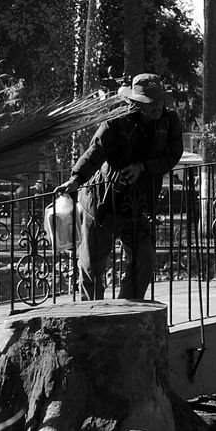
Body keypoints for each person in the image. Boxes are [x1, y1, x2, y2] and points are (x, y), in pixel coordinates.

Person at [59, 73, 183, 300]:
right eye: (150, 102)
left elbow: (173, 156)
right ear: (136, 102)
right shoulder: (117, 119)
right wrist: (76, 178)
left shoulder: (169, 121)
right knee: (92, 266)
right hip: (102, 201)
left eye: (159, 100)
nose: (157, 106)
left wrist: (143, 168)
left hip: (138, 204)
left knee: (144, 260)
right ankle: (91, 315)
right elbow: (95, 151)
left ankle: (128, 312)